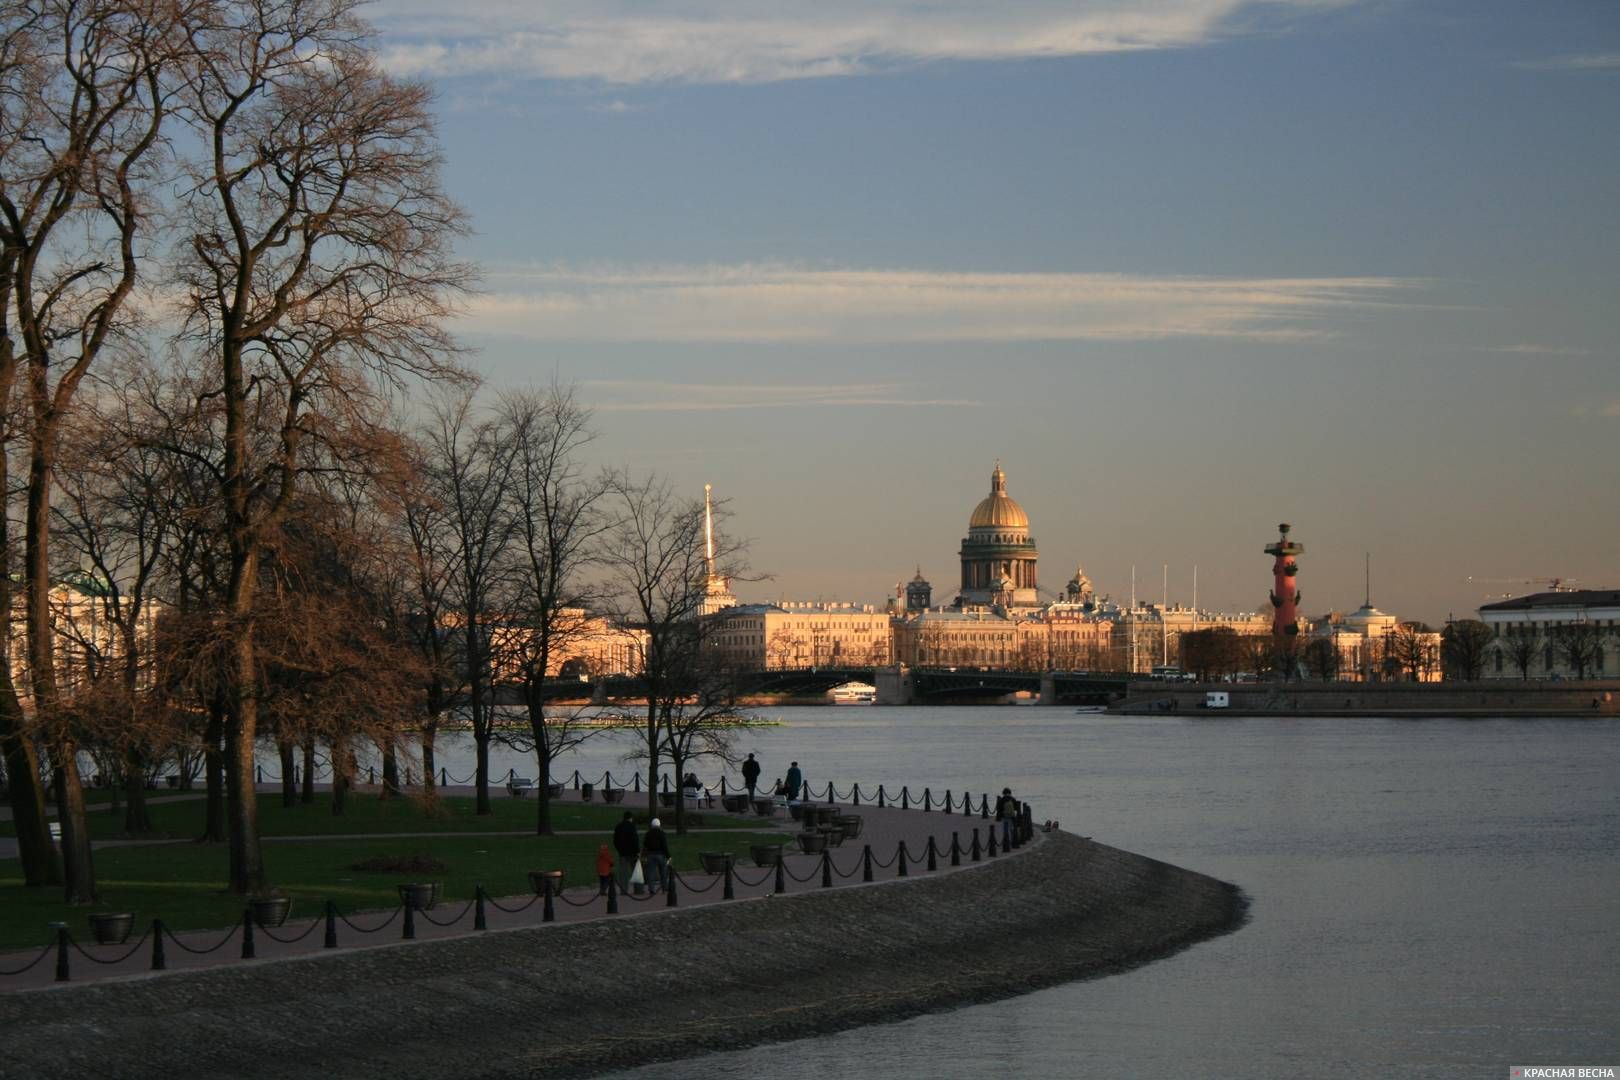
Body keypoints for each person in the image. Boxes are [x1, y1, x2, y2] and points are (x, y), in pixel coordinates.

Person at [612, 810, 640, 891]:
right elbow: (635, 840)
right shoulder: (632, 826)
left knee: (623, 872)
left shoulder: (619, 827)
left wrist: (619, 849)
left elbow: (615, 840)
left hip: (622, 852)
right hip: (632, 852)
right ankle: (638, 889)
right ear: (630, 818)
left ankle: (624, 889)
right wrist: (637, 851)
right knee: (636, 871)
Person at [643, 817, 670, 894]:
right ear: (659, 825)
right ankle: (664, 887)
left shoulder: (648, 833)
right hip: (660, 854)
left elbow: (645, 845)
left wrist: (644, 855)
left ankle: (651, 888)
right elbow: (664, 846)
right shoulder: (662, 833)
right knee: (663, 872)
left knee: (651, 872)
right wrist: (668, 855)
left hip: (651, 855)